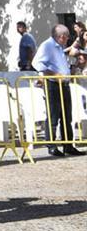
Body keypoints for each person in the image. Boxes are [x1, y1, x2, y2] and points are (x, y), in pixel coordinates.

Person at [32, 24, 84, 156]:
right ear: (61, 37)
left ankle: (68, 145)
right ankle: (51, 145)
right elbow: (37, 63)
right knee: (53, 116)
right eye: (66, 38)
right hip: (53, 84)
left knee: (67, 116)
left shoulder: (59, 47)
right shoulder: (48, 45)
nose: (67, 40)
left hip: (64, 84)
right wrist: (53, 74)